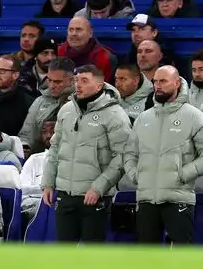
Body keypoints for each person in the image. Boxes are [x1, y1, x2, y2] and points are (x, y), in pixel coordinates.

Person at [124, 66, 203, 244]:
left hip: (178, 200)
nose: (158, 85)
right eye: (155, 81)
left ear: (177, 83)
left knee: (180, 257)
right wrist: (136, 176)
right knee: (146, 257)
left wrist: (182, 174)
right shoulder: (143, 118)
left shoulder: (195, 117)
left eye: (163, 81)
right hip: (146, 200)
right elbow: (130, 154)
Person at [41, 65, 132, 243]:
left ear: (99, 86)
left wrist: (99, 187)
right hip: (65, 194)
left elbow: (123, 156)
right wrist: (48, 183)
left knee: (92, 254)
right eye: (76, 80)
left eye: (84, 81)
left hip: (95, 196)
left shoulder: (115, 114)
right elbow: (55, 148)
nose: (78, 85)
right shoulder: (66, 110)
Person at [18, 57, 74, 154]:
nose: (51, 86)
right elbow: (27, 135)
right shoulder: (39, 102)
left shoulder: (80, 102)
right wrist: (24, 148)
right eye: (49, 80)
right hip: (41, 157)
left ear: (71, 80)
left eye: (57, 82)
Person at [57, 17, 118, 83]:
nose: (74, 33)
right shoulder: (58, 51)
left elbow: (101, 85)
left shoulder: (105, 57)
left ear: (90, 33)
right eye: (71, 30)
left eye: (79, 30)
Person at [20, 120, 56, 223]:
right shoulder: (34, 159)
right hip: (35, 207)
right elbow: (22, 188)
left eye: (53, 132)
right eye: (44, 132)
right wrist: (47, 190)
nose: (48, 136)